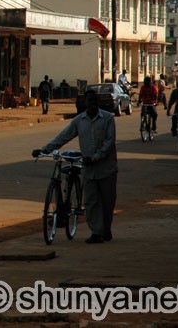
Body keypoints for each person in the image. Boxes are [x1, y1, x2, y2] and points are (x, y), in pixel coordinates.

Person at [32, 89, 117, 244]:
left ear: (97, 103)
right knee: (91, 201)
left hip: (107, 168)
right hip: (88, 169)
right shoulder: (79, 121)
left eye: (94, 101)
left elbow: (109, 143)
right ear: (85, 103)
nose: (91, 104)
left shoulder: (107, 119)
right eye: (89, 101)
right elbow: (64, 136)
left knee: (107, 202)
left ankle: (106, 229)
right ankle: (96, 232)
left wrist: (96, 157)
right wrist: (44, 150)